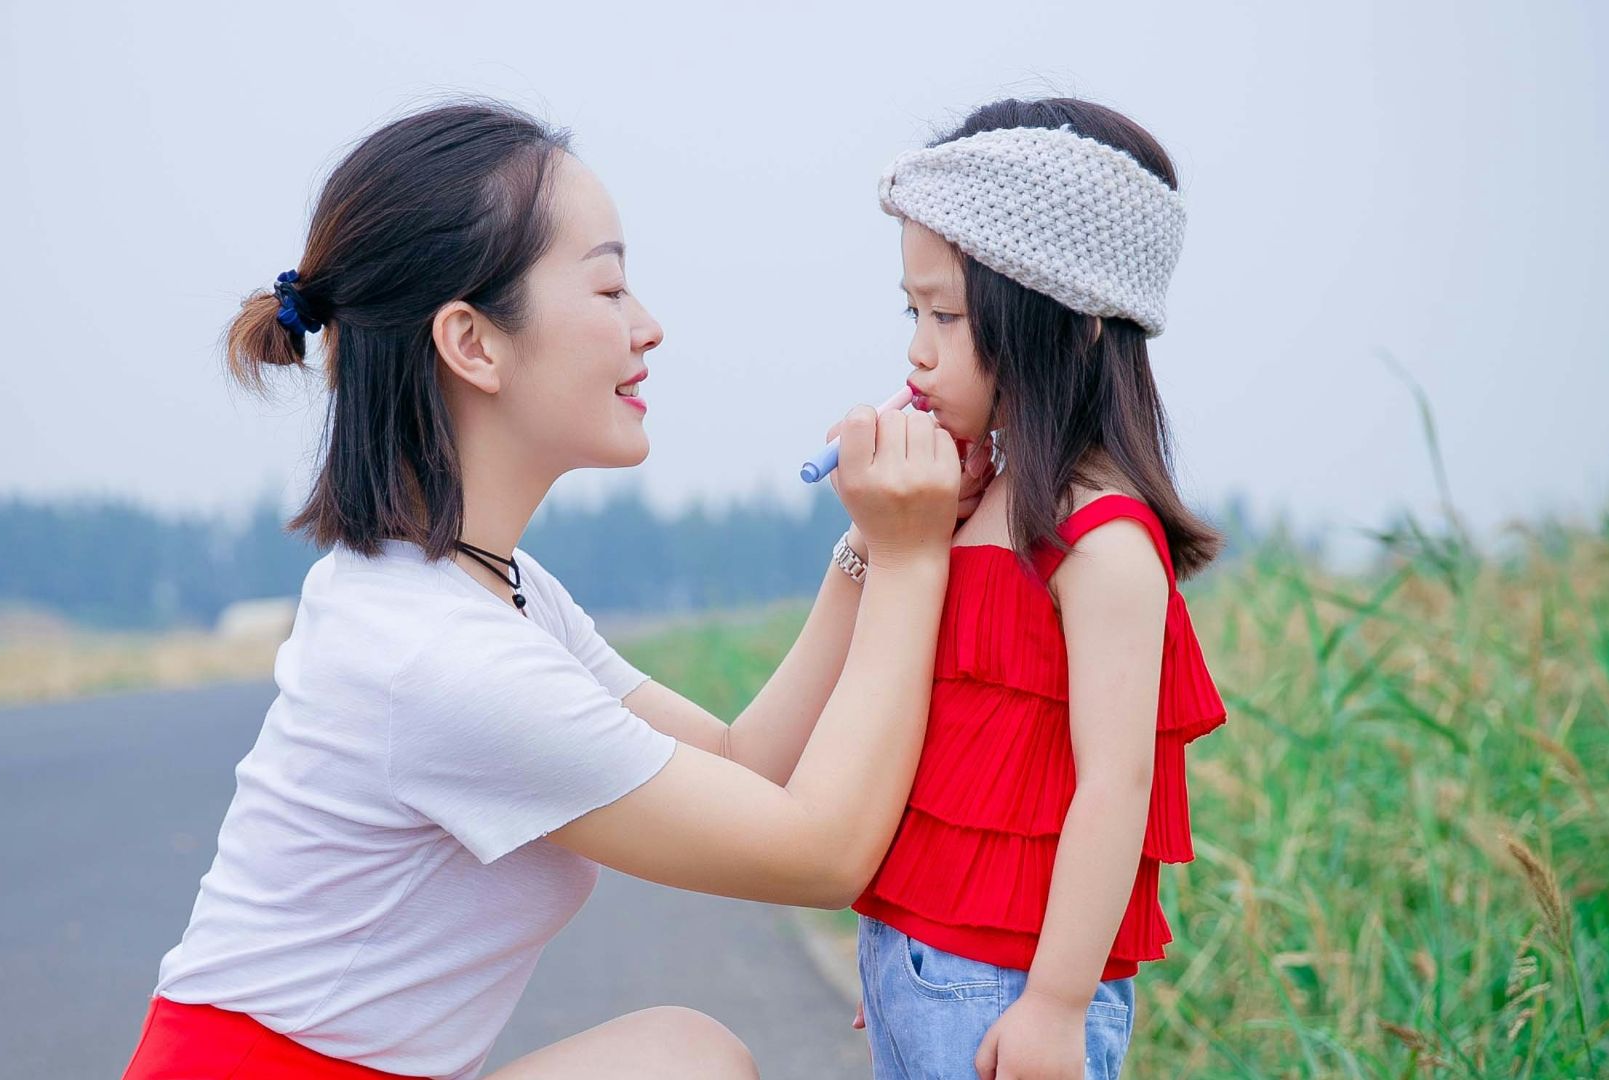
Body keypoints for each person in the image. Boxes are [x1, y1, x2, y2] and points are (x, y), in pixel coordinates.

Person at [119, 99, 988, 1080]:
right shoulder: (442, 660)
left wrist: (869, 549)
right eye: (610, 289)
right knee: (687, 1065)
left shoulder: (483, 588)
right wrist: (916, 559)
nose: (648, 328)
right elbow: (823, 857)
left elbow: (748, 768)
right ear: (473, 344)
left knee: (684, 1056)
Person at [843, 97, 1229, 1080]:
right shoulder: (977, 498)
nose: (917, 349)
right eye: (912, 310)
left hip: (1013, 985)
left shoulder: (1100, 542)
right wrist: (904, 953)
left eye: (948, 316)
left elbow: (1115, 783)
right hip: (926, 961)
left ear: (1074, 321)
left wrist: (1056, 1005)